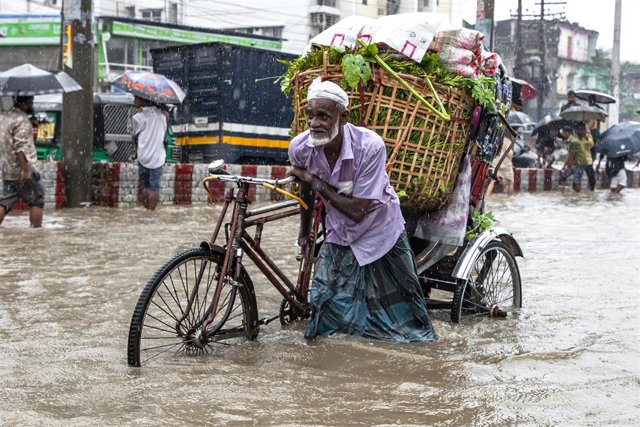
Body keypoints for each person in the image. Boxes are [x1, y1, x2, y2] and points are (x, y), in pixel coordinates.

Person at [288, 77, 436, 343]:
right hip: (339, 231)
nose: (314, 124)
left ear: (343, 117)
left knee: (407, 317)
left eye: (323, 116)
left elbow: (357, 210)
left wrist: (314, 180)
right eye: (310, 116)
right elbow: (306, 194)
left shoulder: (370, 146)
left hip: (380, 230)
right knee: (324, 305)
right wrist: (304, 231)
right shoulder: (301, 148)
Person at [0, 95, 44, 227]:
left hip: (7, 169)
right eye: (31, 101)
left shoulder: (4, 117)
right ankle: (36, 232)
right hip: (22, 169)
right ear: (25, 102)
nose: (32, 104)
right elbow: (21, 147)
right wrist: (25, 170)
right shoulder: (22, 120)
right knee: (36, 201)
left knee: (5, 202)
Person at [132, 95, 166, 210]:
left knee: (145, 186)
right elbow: (164, 135)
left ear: (142, 100)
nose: (134, 101)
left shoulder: (137, 118)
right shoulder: (163, 116)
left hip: (143, 156)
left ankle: (147, 210)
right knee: (154, 186)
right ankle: (152, 212)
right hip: (157, 156)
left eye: (136, 98)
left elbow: (135, 137)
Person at [561, 121, 596, 192]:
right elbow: (571, 154)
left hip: (588, 162)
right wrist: (566, 165)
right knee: (573, 181)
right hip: (578, 163)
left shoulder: (588, 137)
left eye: (583, 129)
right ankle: (568, 193)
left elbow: (592, 144)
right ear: (576, 130)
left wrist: (588, 135)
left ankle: (589, 194)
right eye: (580, 129)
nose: (582, 131)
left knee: (592, 182)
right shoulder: (574, 140)